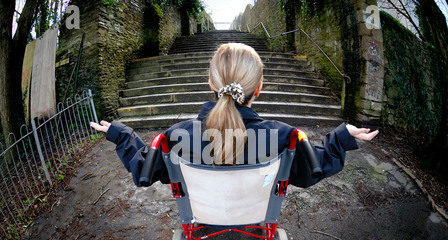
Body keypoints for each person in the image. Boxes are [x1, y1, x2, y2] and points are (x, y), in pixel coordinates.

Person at [90, 43, 378, 188]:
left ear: (211, 85)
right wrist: (341, 138)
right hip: (253, 207)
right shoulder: (281, 136)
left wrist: (121, 134)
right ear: (259, 88)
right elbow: (314, 167)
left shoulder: (177, 135)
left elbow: (144, 169)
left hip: (204, 207)